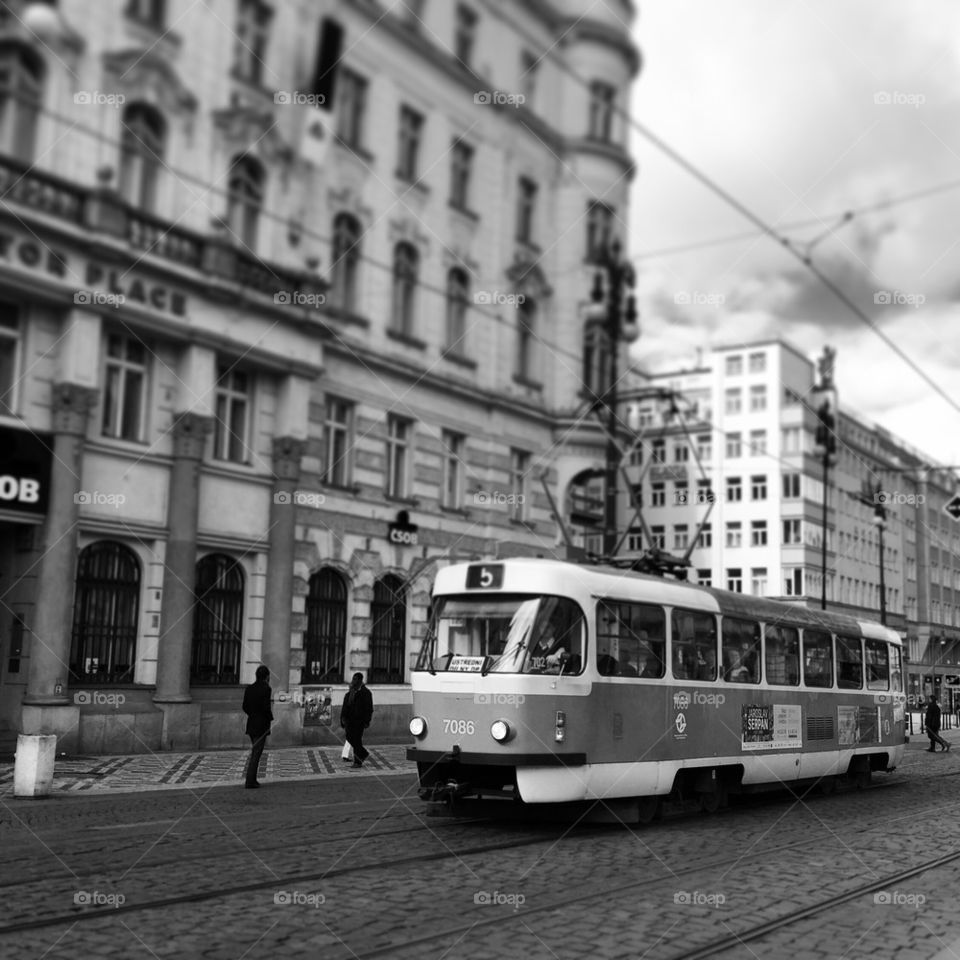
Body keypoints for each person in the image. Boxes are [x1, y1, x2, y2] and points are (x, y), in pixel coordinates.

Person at [242, 665, 273, 788]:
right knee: (256, 752)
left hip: (251, 723)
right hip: (261, 725)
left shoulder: (249, 688)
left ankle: (252, 779)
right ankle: (250, 780)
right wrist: (269, 717)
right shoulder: (266, 688)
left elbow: (244, 706)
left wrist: (252, 714)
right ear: (266, 676)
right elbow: (266, 707)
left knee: (255, 750)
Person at [341, 672, 374, 768]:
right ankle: (363, 753)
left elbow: (369, 708)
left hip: (359, 721)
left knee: (357, 740)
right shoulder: (350, 692)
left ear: (360, 680)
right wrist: (343, 718)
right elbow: (345, 706)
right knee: (350, 738)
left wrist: (367, 721)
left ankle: (357, 761)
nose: (353, 681)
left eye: (355, 679)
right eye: (353, 679)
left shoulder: (366, 693)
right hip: (349, 720)